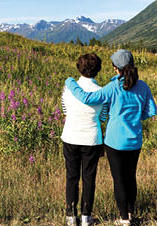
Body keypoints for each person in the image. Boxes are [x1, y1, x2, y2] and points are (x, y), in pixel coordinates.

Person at [65, 49, 157, 226]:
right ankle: (129, 214)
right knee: (131, 177)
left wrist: (70, 82)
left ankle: (123, 219)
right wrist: (135, 118)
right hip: (135, 139)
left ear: (116, 68)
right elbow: (151, 111)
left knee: (119, 180)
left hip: (115, 140)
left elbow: (87, 98)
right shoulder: (143, 86)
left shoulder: (113, 87)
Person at [61, 53, 108, 226]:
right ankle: (86, 217)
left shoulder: (69, 89)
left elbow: (64, 109)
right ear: (98, 70)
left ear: (78, 68)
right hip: (92, 139)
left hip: (71, 136)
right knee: (89, 178)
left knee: (71, 177)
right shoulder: (102, 92)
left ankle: (71, 216)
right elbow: (103, 116)